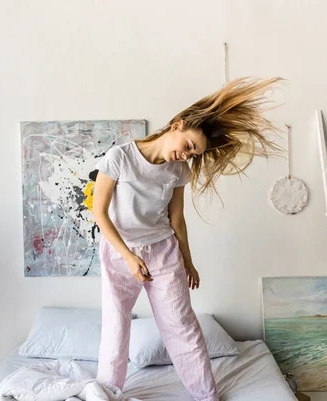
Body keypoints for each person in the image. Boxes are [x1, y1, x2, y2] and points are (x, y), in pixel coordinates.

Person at [93, 77, 283, 401]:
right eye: (189, 147)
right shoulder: (119, 158)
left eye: (194, 154)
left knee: (182, 326)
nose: (186, 156)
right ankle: (107, 392)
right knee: (116, 325)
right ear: (178, 125)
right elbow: (100, 214)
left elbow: (177, 218)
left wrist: (188, 261)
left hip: (163, 251)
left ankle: (206, 395)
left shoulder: (179, 171)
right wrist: (128, 256)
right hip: (119, 252)